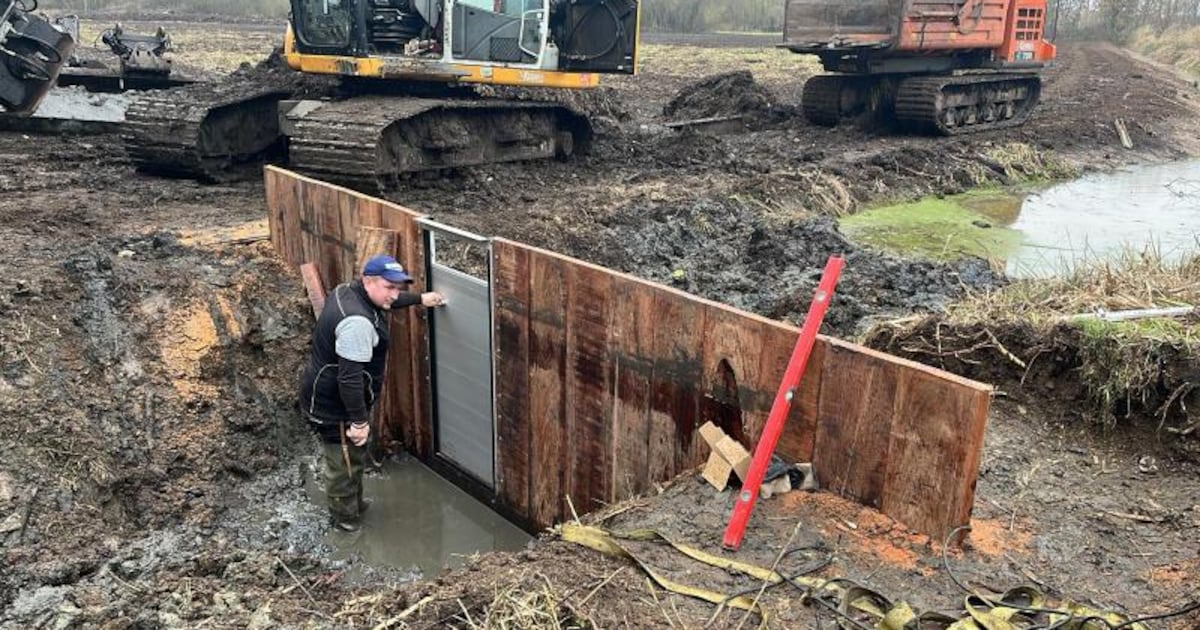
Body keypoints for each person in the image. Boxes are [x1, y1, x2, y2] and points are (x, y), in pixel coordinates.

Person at [299, 254, 445, 531]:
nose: (395, 293)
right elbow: (350, 378)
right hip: (336, 407)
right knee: (343, 465)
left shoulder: (347, 291)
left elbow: (386, 300)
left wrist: (418, 299)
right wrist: (359, 421)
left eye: (398, 287)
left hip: (327, 392)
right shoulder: (357, 323)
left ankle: (356, 504)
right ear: (367, 281)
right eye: (389, 286)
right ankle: (346, 523)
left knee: (351, 457)